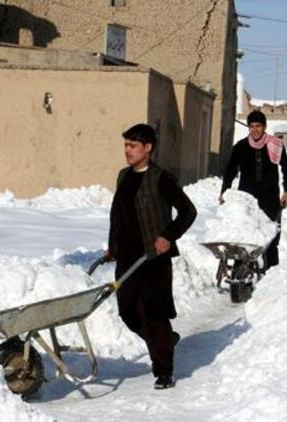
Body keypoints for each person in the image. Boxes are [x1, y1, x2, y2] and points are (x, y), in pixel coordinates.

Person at [107, 123, 196, 390]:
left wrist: (167, 236)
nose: (127, 151)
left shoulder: (161, 178)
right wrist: (113, 245)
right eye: (125, 145)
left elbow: (188, 212)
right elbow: (117, 216)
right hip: (128, 258)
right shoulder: (123, 177)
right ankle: (166, 341)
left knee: (154, 315)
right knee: (127, 311)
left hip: (154, 258)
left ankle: (164, 370)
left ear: (148, 148)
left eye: (132, 146)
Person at [220, 110, 287, 270]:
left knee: (270, 239)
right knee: (244, 238)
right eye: (251, 126)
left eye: (258, 126)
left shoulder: (275, 145)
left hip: (269, 199)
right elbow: (230, 171)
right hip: (246, 199)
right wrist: (223, 192)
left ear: (264, 126)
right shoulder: (240, 147)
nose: (255, 130)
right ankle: (241, 273)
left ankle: (272, 277)